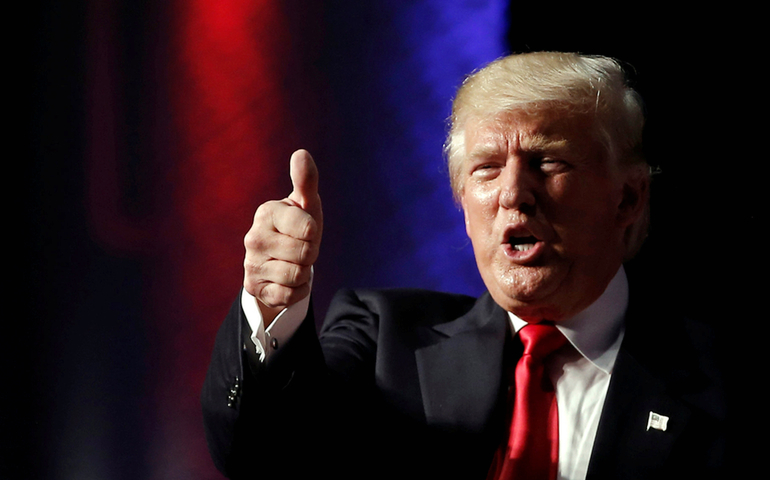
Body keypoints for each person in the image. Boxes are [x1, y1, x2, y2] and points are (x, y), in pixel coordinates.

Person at [201, 52, 725, 479]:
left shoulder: (722, 373)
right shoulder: (385, 337)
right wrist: (271, 307)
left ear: (628, 197)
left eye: (549, 162)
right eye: (487, 169)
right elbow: (264, 454)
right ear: (464, 207)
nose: (514, 194)